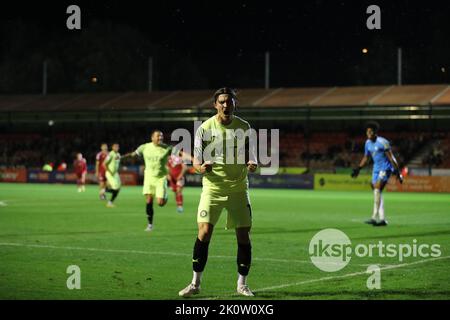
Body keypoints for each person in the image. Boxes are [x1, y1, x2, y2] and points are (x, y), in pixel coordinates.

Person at [179, 87, 258, 298]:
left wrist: (252, 162)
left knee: (243, 235)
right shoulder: (204, 129)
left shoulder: (244, 127)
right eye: (221, 102)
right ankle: (195, 284)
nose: (225, 105)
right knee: (204, 232)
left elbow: (251, 154)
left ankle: (242, 285)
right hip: (212, 188)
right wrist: (200, 168)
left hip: (238, 189)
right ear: (215, 105)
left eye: (229, 101)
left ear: (235, 104)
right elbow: (196, 161)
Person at [351, 122, 403, 226]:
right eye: (367, 132)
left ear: (375, 132)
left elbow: (391, 157)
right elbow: (366, 157)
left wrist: (398, 171)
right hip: (376, 169)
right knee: (377, 191)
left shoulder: (383, 142)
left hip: (385, 168)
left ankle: (374, 217)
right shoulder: (367, 143)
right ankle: (382, 219)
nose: (368, 133)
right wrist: (358, 168)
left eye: (370, 132)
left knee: (377, 188)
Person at [121, 130, 173, 231]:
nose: (160, 138)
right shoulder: (144, 147)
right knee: (149, 200)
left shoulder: (167, 148)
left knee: (160, 203)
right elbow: (133, 154)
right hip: (149, 177)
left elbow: (181, 153)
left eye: (161, 136)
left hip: (160, 178)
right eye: (158, 136)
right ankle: (150, 224)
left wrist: (193, 160)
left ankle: (164, 195)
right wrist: (122, 157)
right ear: (152, 137)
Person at [103, 143, 121, 207]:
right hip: (110, 173)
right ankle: (104, 190)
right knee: (115, 188)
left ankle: (110, 202)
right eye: (115, 147)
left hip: (115, 173)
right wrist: (110, 172)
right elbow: (104, 164)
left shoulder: (118, 154)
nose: (116, 148)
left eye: (117, 147)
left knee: (118, 189)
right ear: (112, 148)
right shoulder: (110, 154)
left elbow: (117, 164)